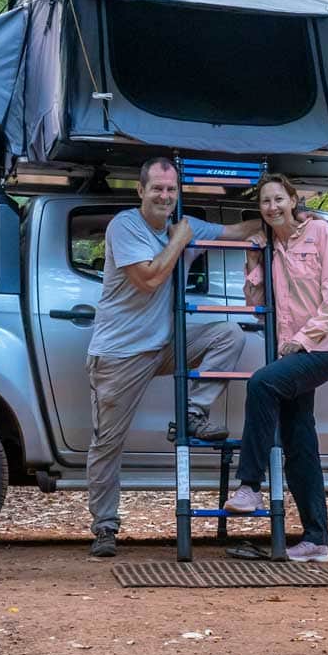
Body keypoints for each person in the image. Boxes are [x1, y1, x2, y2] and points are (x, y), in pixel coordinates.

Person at [85, 157, 260, 558]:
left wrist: (275, 221)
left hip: (164, 344)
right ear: (141, 191)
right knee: (108, 443)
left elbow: (234, 231)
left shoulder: (186, 224)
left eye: (171, 189)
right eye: (157, 188)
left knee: (228, 333)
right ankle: (105, 528)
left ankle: (192, 412)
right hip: (120, 353)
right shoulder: (125, 226)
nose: (164, 196)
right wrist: (181, 240)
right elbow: (148, 279)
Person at [222, 175, 328, 563]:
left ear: (293, 200)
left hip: (324, 346)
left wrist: (307, 336)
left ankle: (249, 485)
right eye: (265, 202)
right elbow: (254, 303)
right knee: (299, 442)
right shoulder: (269, 247)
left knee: (262, 383)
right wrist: (253, 260)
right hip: (291, 351)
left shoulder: (320, 233)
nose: (272, 207)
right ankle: (316, 540)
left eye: (279, 199)